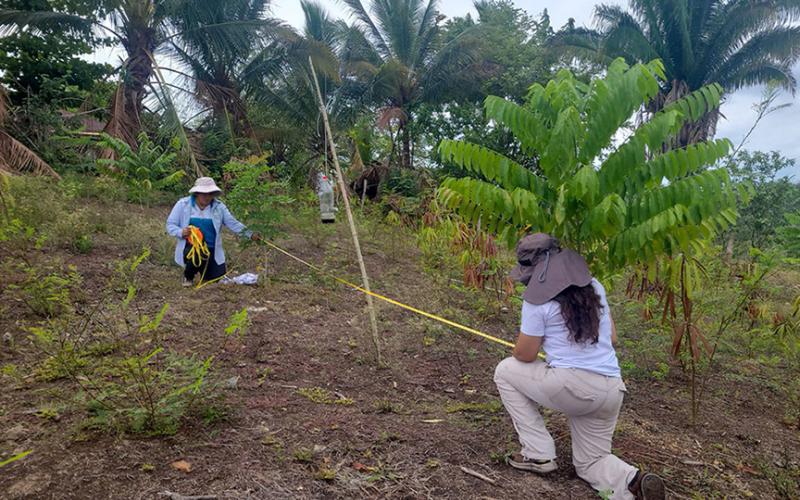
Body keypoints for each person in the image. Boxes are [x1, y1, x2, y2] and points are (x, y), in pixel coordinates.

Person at [494, 233, 665, 500]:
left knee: (505, 371)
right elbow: (612, 337)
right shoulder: (594, 286)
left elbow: (525, 355)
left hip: (572, 388)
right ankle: (632, 481)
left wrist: (533, 347)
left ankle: (538, 454)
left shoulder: (536, 301)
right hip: (611, 389)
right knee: (591, 462)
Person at [166, 177, 258, 287]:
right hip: (191, 248)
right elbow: (170, 224)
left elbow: (233, 223)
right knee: (196, 254)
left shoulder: (219, 207)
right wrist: (181, 232)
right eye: (203, 193)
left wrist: (250, 234)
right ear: (197, 193)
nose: (207, 197)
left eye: (210, 194)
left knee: (217, 280)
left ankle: (207, 274)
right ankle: (188, 276)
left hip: (212, 250)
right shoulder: (183, 204)